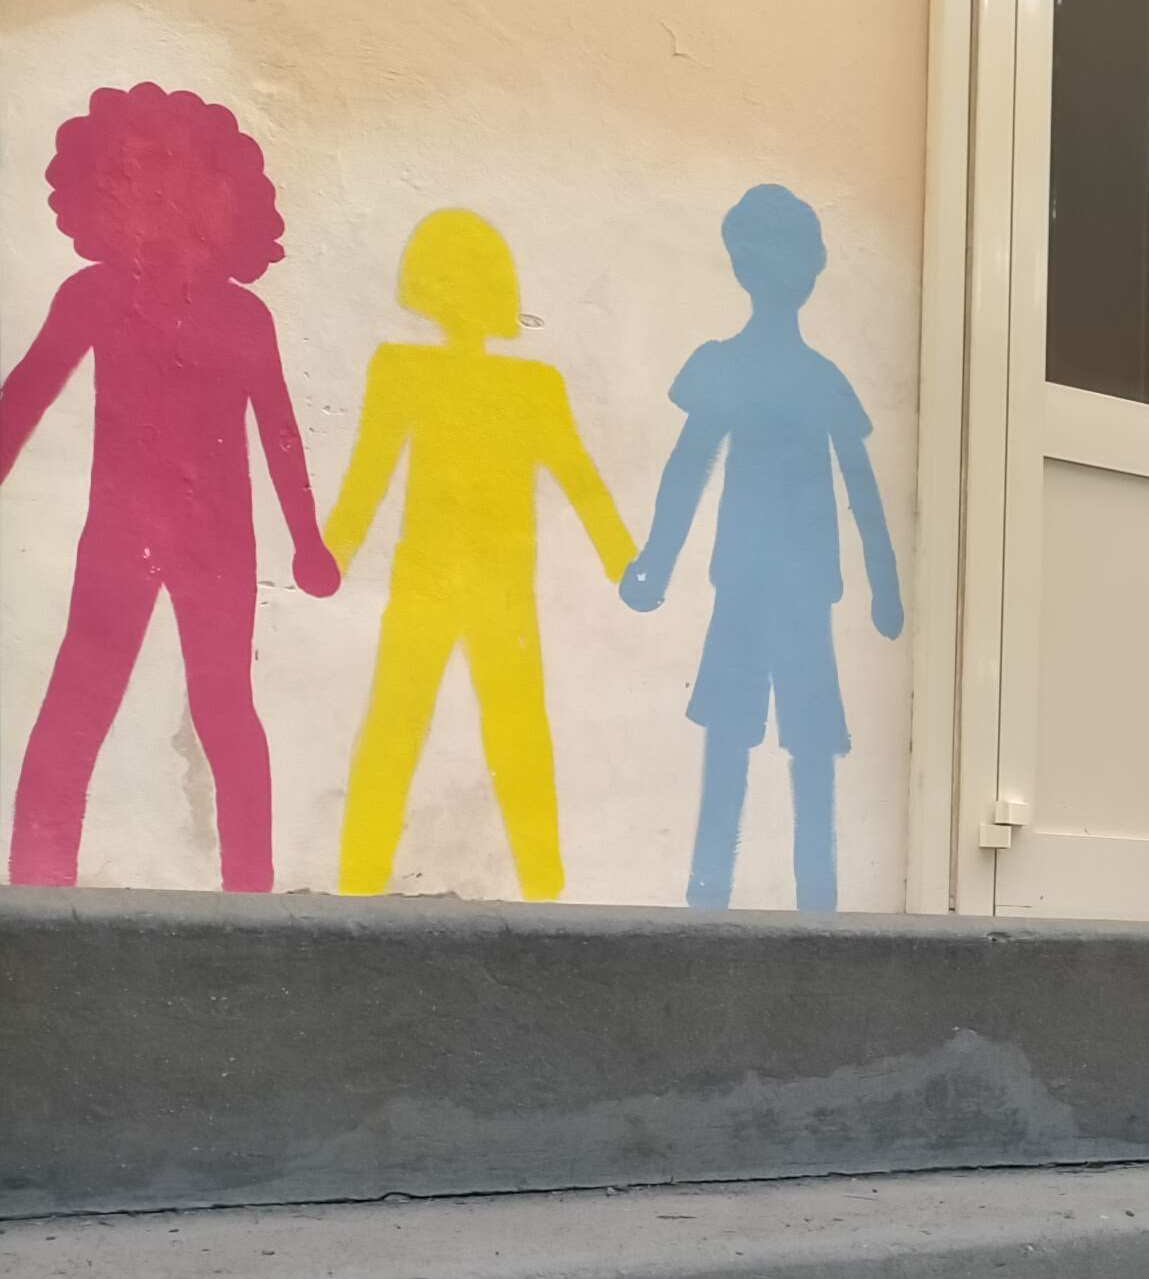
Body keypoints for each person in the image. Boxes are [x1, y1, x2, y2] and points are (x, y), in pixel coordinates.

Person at [0, 82, 339, 891]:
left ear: (222, 198)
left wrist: (308, 541)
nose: (155, 195)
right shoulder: (92, 296)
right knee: (79, 703)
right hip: (120, 538)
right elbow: (24, 397)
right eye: (134, 175)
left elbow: (280, 433)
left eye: (175, 176)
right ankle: (38, 886)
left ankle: (249, 893)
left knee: (222, 708)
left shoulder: (244, 318)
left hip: (217, 544)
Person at [324, 210, 635, 899]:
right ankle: (362, 886)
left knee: (480, 734)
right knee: (420, 730)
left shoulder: (517, 385)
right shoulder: (415, 371)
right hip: (447, 583)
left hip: (477, 587)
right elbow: (369, 476)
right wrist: (334, 552)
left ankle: (539, 892)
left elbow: (581, 480)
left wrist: (625, 560)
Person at [622, 186, 901, 912]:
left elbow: (860, 488)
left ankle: (801, 905)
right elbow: (688, 470)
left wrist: (887, 584)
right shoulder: (767, 371)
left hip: (788, 590)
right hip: (752, 587)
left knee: (788, 744)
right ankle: (721, 899)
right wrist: (654, 563)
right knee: (760, 741)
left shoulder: (802, 376)